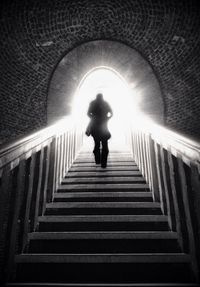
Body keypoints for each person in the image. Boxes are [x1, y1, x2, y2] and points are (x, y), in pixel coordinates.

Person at [86, 93, 113, 168]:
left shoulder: (92, 103)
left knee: (97, 144)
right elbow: (111, 113)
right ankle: (103, 164)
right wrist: (106, 118)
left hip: (95, 128)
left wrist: (93, 118)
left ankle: (98, 160)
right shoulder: (105, 103)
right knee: (105, 145)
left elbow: (88, 113)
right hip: (104, 127)